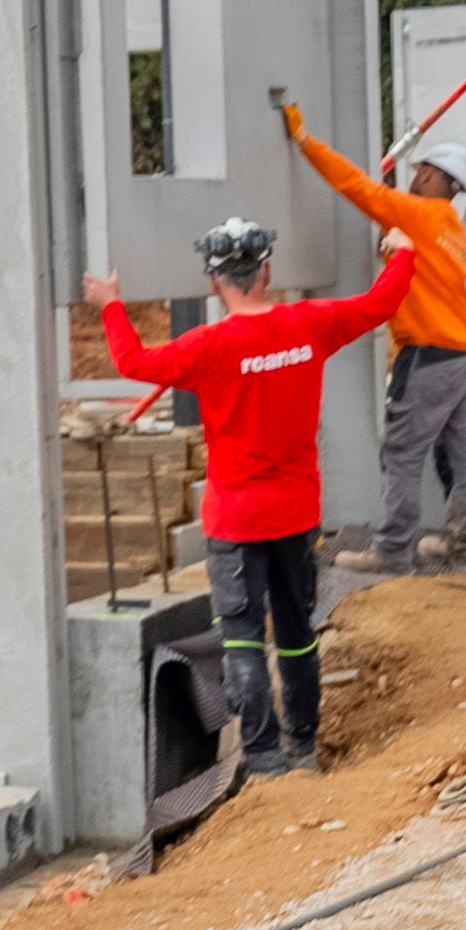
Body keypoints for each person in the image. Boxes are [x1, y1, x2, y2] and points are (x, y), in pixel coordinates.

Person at [84, 217, 413, 774]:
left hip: (235, 519)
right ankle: (303, 746)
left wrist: (111, 304)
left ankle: (261, 760)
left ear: (215, 283)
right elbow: (381, 304)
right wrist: (401, 252)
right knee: (294, 634)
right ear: (267, 271)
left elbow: (133, 362)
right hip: (295, 513)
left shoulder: (208, 347)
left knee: (241, 638)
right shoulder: (310, 325)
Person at [280, 104, 466, 571]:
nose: (415, 178)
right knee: (459, 451)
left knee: (402, 453)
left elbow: (355, 186)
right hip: (465, 357)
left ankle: (393, 552)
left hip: (430, 356)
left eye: (423, 172)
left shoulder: (416, 214)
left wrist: (305, 141)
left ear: (440, 179)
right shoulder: (452, 227)